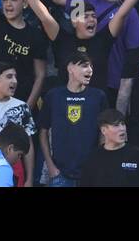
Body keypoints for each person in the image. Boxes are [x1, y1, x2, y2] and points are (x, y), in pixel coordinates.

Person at [38, 51, 107, 187]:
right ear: (70, 68)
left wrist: (99, 164)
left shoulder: (98, 96)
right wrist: (51, 166)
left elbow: (104, 133)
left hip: (90, 174)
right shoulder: (54, 96)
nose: (90, 70)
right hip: (60, 174)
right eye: (85, 66)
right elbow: (43, 132)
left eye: (91, 67)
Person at [78, 109, 139, 186]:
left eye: (123, 124)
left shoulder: (136, 155)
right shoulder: (93, 157)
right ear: (103, 130)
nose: (122, 128)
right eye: (116, 125)